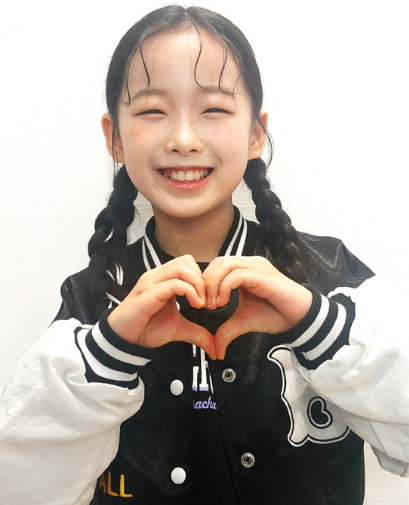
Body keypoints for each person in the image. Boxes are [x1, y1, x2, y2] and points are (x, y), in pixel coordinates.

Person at [0, 4, 408, 505]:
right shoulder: (91, 297)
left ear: (256, 132)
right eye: (152, 111)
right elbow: (21, 487)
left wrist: (318, 325)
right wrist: (108, 351)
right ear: (114, 138)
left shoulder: (327, 273)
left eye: (213, 109)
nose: (184, 140)